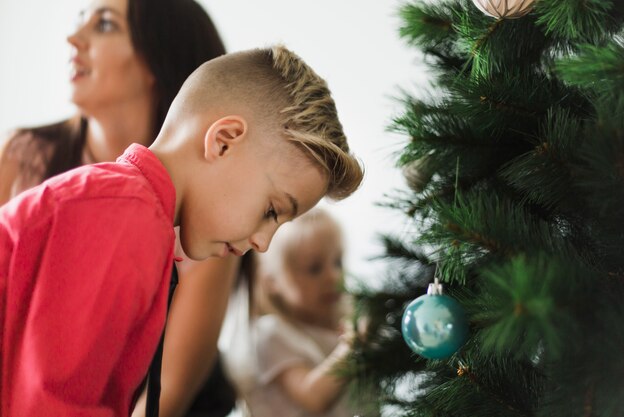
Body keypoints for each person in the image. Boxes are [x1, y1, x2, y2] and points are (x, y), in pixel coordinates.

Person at [0, 45, 364, 416]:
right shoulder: (122, 216)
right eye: (271, 211)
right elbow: (51, 406)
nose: (263, 243)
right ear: (223, 142)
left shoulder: (132, 213)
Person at [0, 1, 241, 415]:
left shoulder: (209, 208)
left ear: (156, 59)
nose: (73, 39)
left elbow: (167, 397)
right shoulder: (22, 156)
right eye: (79, 22)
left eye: (105, 25)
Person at [234, 208, 360, 417]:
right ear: (272, 281)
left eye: (338, 262)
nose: (333, 276)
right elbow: (314, 399)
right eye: (314, 268)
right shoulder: (272, 334)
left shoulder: (346, 319)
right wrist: (352, 347)